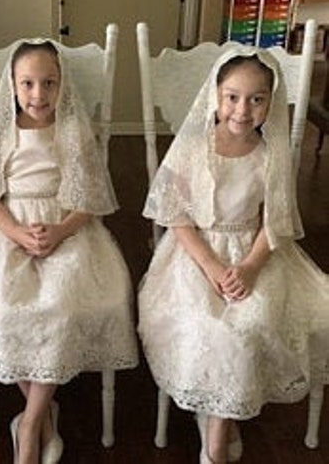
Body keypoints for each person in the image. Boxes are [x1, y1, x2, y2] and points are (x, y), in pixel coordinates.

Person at [0, 39, 138, 464]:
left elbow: (88, 201)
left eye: (49, 83)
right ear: (12, 86)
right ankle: (42, 412)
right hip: (8, 229)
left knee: (60, 306)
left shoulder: (72, 131)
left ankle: (29, 423)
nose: (38, 94)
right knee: (2, 305)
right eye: (27, 83)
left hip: (65, 229)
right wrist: (15, 232)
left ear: (62, 84)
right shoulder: (0, 132)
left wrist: (61, 230)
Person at [138, 45, 329, 464]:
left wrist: (250, 267)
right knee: (206, 325)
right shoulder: (194, 146)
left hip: (252, 253)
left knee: (251, 323)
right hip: (197, 253)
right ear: (217, 95)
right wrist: (210, 266)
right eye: (233, 97)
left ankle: (219, 425)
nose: (243, 110)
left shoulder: (270, 154)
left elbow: (274, 222)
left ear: (270, 103)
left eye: (257, 99)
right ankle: (217, 429)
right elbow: (175, 214)